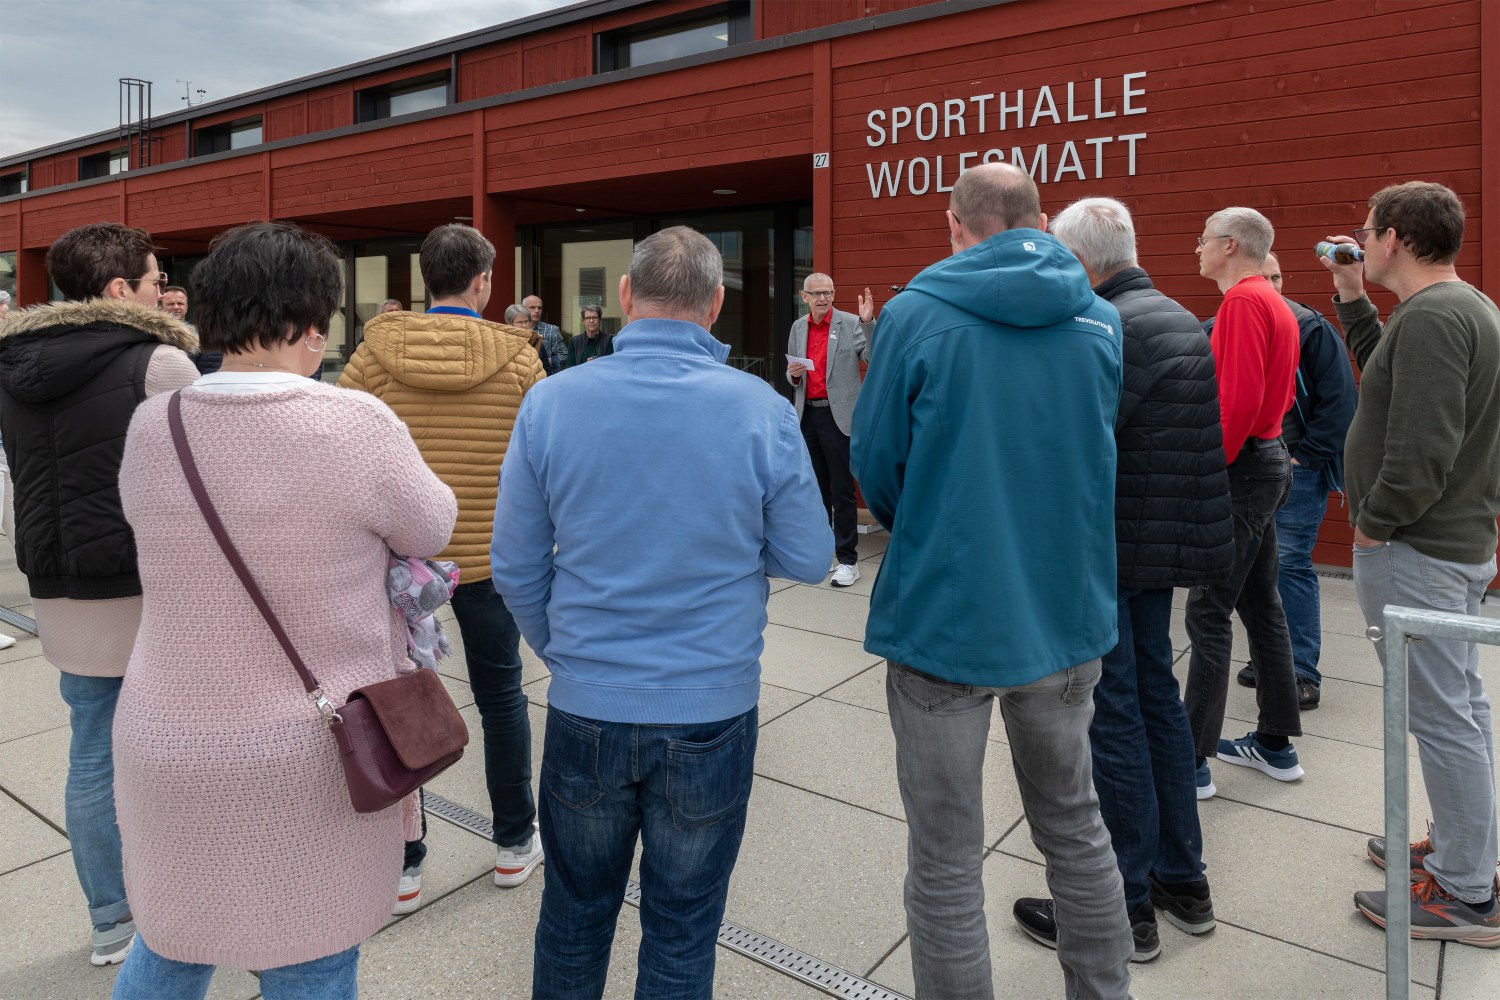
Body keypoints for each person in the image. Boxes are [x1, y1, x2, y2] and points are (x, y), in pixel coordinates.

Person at [108, 221, 456, 998]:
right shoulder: (353, 422)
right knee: (314, 955)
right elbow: (432, 524)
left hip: (164, 738)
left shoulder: (152, 426)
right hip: (309, 752)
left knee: (171, 942)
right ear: (311, 321)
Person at [492, 227, 832, 999]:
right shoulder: (761, 410)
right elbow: (811, 557)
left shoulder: (551, 401)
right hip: (711, 707)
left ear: (622, 297)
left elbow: (513, 562)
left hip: (586, 706)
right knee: (682, 930)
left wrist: (561, 652)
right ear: (715, 306)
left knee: (574, 918)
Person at [851, 163, 1134, 999]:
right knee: (1076, 827)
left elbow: (878, 464)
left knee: (944, 854)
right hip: (1065, 605)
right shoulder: (1099, 320)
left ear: (954, 223)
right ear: (1040, 220)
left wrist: (931, 521)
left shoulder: (914, 314)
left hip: (949, 610)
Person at [1012, 197, 1233, 963]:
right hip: (1162, 541)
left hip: (1122, 549)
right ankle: (1183, 880)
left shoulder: (1115, 324)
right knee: (1156, 704)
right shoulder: (1167, 311)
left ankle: (1125, 905)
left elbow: (1076, 433)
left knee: (1115, 717)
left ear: (1080, 262)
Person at [0, 222, 197, 966]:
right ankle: (174, 899)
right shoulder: (159, 362)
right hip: (143, 584)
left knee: (90, 746)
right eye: (153, 281)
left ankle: (111, 918)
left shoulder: (10, 361)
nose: (161, 293)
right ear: (121, 290)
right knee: (172, 747)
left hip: (53, 582)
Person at [340, 224, 546, 907]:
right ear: (484, 281)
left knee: (396, 701)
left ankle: (404, 860)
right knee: (501, 698)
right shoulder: (520, 361)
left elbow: (341, 446)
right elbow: (541, 463)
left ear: (426, 280)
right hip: (488, 558)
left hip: (399, 564)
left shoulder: (373, 354)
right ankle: (515, 842)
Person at [1320, 182, 1500, 945]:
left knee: (1440, 715)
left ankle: (1465, 894)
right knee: (1458, 705)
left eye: (1367, 233)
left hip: (1417, 548)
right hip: (1448, 544)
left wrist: (1373, 526)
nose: (1359, 240)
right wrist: (1353, 297)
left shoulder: (1434, 318)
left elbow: (1422, 450)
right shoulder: (1460, 310)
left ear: (1394, 236)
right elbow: (1388, 376)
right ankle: (1470, 852)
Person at [1185, 206, 1303, 794]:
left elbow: (1233, 404)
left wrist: (1204, 476)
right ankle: (1276, 745)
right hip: (1267, 462)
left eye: (1204, 240)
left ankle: (1193, 759)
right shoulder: (1273, 302)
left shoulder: (1242, 304)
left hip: (1243, 472)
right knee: (1261, 606)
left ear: (1230, 244)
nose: (1197, 249)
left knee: (1207, 611)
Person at [1221, 252, 1358, 709]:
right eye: (1264, 276)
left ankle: (1300, 671)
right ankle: (1271, 659)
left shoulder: (1310, 328)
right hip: (1256, 467)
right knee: (1258, 569)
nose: (1271, 285)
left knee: (1292, 564)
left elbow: (1340, 400)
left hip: (1296, 468)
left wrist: (1308, 457)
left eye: (1277, 276)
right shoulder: (1229, 322)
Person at [785, 273, 875, 587]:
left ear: (834, 294)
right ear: (804, 296)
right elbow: (793, 378)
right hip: (807, 416)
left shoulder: (850, 323)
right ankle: (822, 555)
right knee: (816, 492)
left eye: (828, 292)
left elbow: (874, 357)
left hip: (839, 418)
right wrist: (793, 375)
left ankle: (848, 560)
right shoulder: (798, 327)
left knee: (843, 491)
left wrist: (868, 323)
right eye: (817, 293)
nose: (823, 298)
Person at [163, 284, 220, 376]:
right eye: (170, 304)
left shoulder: (205, 336)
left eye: (180, 303)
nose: (176, 307)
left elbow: (211, 372)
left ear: (186, 307)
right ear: (160, 307)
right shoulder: (151, 335)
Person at [506, 303, 558, 376]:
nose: (524, 325)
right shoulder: (502, 342)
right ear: (509, 324)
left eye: (526, 321)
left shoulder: (537, 341)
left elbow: (546, 370)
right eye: (520, 322)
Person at [524, 294, 568, 372]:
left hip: (545, 377)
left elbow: (565, 357)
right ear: (523, 309)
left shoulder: (552, 330)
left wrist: (543, 361)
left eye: (539, 308)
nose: (537, 311)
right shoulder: (516, 329)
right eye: (532, 307)